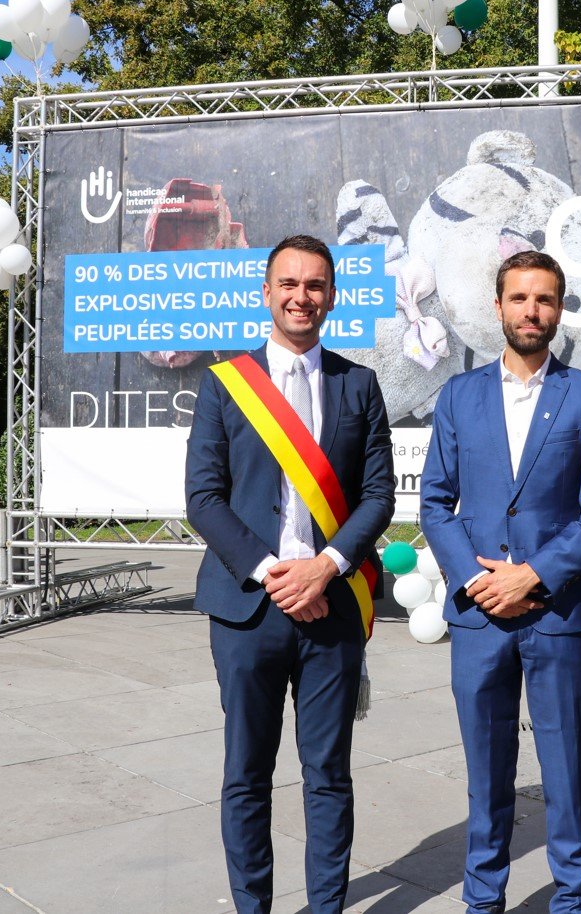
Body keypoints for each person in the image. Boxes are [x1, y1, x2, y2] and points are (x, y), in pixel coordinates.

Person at [185, 234, 394, 914]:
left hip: (332, 609)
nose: (302, 296)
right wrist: (278, 573)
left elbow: (378, 497)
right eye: (289, 284)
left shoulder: (358, 385)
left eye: (315, 285)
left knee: (328, 775)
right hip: (248, 609)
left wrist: (327, 567)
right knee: (246, 774)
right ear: (267, 292)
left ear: (331, 297)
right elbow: (203, 498)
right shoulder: (224, 386)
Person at [420, 250, 581, 914]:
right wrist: (478, 583)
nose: (532, 310)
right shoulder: (458, 395)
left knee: (565, 773)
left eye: (544, 299)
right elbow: (435, 505)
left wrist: (533, 574)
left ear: (559, 309)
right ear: (498, 306)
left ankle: (573, 899)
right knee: (486, 774)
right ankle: (484, 901)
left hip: (556, 616)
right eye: (519, 298)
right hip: (480, 617)